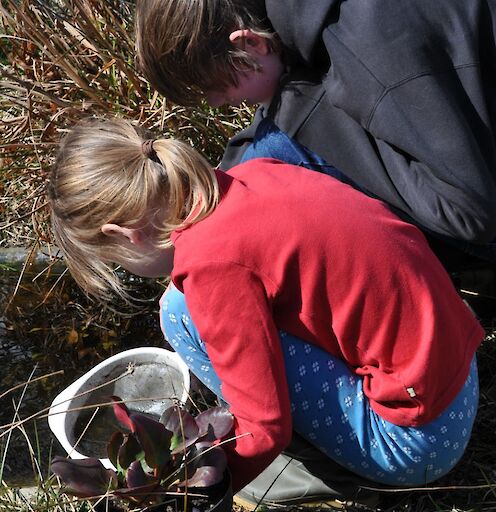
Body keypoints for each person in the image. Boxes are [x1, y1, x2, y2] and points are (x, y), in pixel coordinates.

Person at [48, 118, 484, 498]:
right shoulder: (253, 173)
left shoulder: (211, 266)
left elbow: (266, 425)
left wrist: (203, 486)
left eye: (115, 261)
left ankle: (324, 472)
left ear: (125, 235)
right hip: (458, 370)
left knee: (180, 315)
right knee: (189, 305)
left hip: (418, 441)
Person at [134, 0, 496, 271]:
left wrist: (307, 116)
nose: (217, 104)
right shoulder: (309, 16)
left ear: (249, 44)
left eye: (213, 89)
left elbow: (468, 213)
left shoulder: (371, 42)